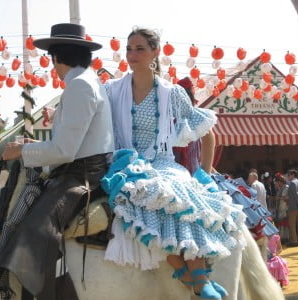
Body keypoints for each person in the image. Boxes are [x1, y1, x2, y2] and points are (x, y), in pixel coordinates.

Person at [101, 27, 246, 300]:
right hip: (126, 164)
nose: (132, 54)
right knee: (149, 197)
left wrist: (203, 171)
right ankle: (189, 274)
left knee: (182, 193)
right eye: (129, 48)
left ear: (155, 52)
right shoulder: (112, 90)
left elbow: (205, 131)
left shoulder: (173, 93)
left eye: (139, 49)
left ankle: (198, 278)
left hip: (164, 163)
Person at [0, 23, 114, 300]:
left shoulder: (80, 86)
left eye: (51, 58)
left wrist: (22, 152)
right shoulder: (86, 81)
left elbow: (65, 151)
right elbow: (70, 145)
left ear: (56, 58)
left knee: (35, 231)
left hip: (82, 175)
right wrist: (29, 146)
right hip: (79, 167)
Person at [172, 77, 204, 175]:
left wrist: (205, 173)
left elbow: (210, 138)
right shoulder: (171, 121)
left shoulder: (196, 116)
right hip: (176, 174)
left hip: (192, 174)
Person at [274, 173, 289, 243]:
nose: (277, 183)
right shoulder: (281, 188)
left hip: (284, 207)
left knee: (284, 223)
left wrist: (278, 198)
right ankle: (283, 237)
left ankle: (285, 237)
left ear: (281, 181)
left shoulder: (286, 187)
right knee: (281, 223)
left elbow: (286, 198)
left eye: (278, 181)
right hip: (281, 208)